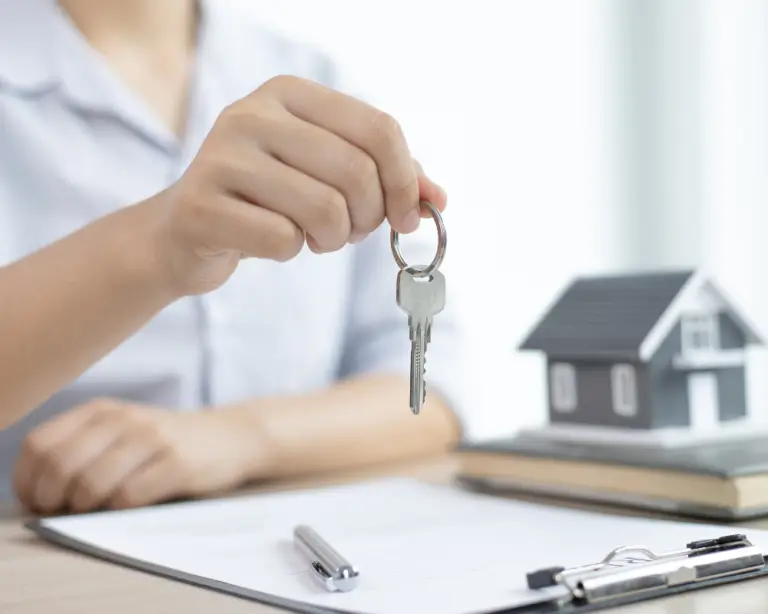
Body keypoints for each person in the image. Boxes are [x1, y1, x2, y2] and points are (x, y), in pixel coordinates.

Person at [0, 0, 469, 513]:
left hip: (280, 555)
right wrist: (159, 243)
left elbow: (435, 397)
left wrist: (237, 439)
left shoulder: (312, 80)